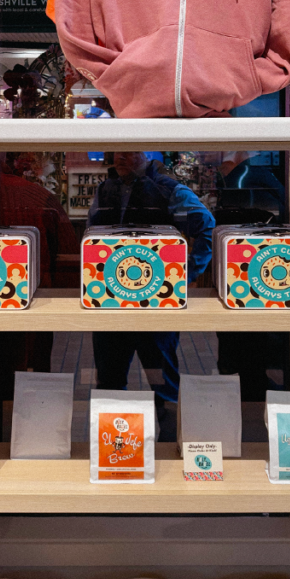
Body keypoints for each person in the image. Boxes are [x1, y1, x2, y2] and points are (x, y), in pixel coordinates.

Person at [89, 151, 215, 433]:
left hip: (157, 302)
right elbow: (93, 236)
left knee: (164, 385)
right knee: (109, 382)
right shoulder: (105, 188)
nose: (119, 158)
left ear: (147, 154)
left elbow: (207, 228)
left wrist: (187, 274)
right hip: (112, 301)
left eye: (129, 152)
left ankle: (171, 448)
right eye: (118, 152)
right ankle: (113, 457)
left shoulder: (170, 189)